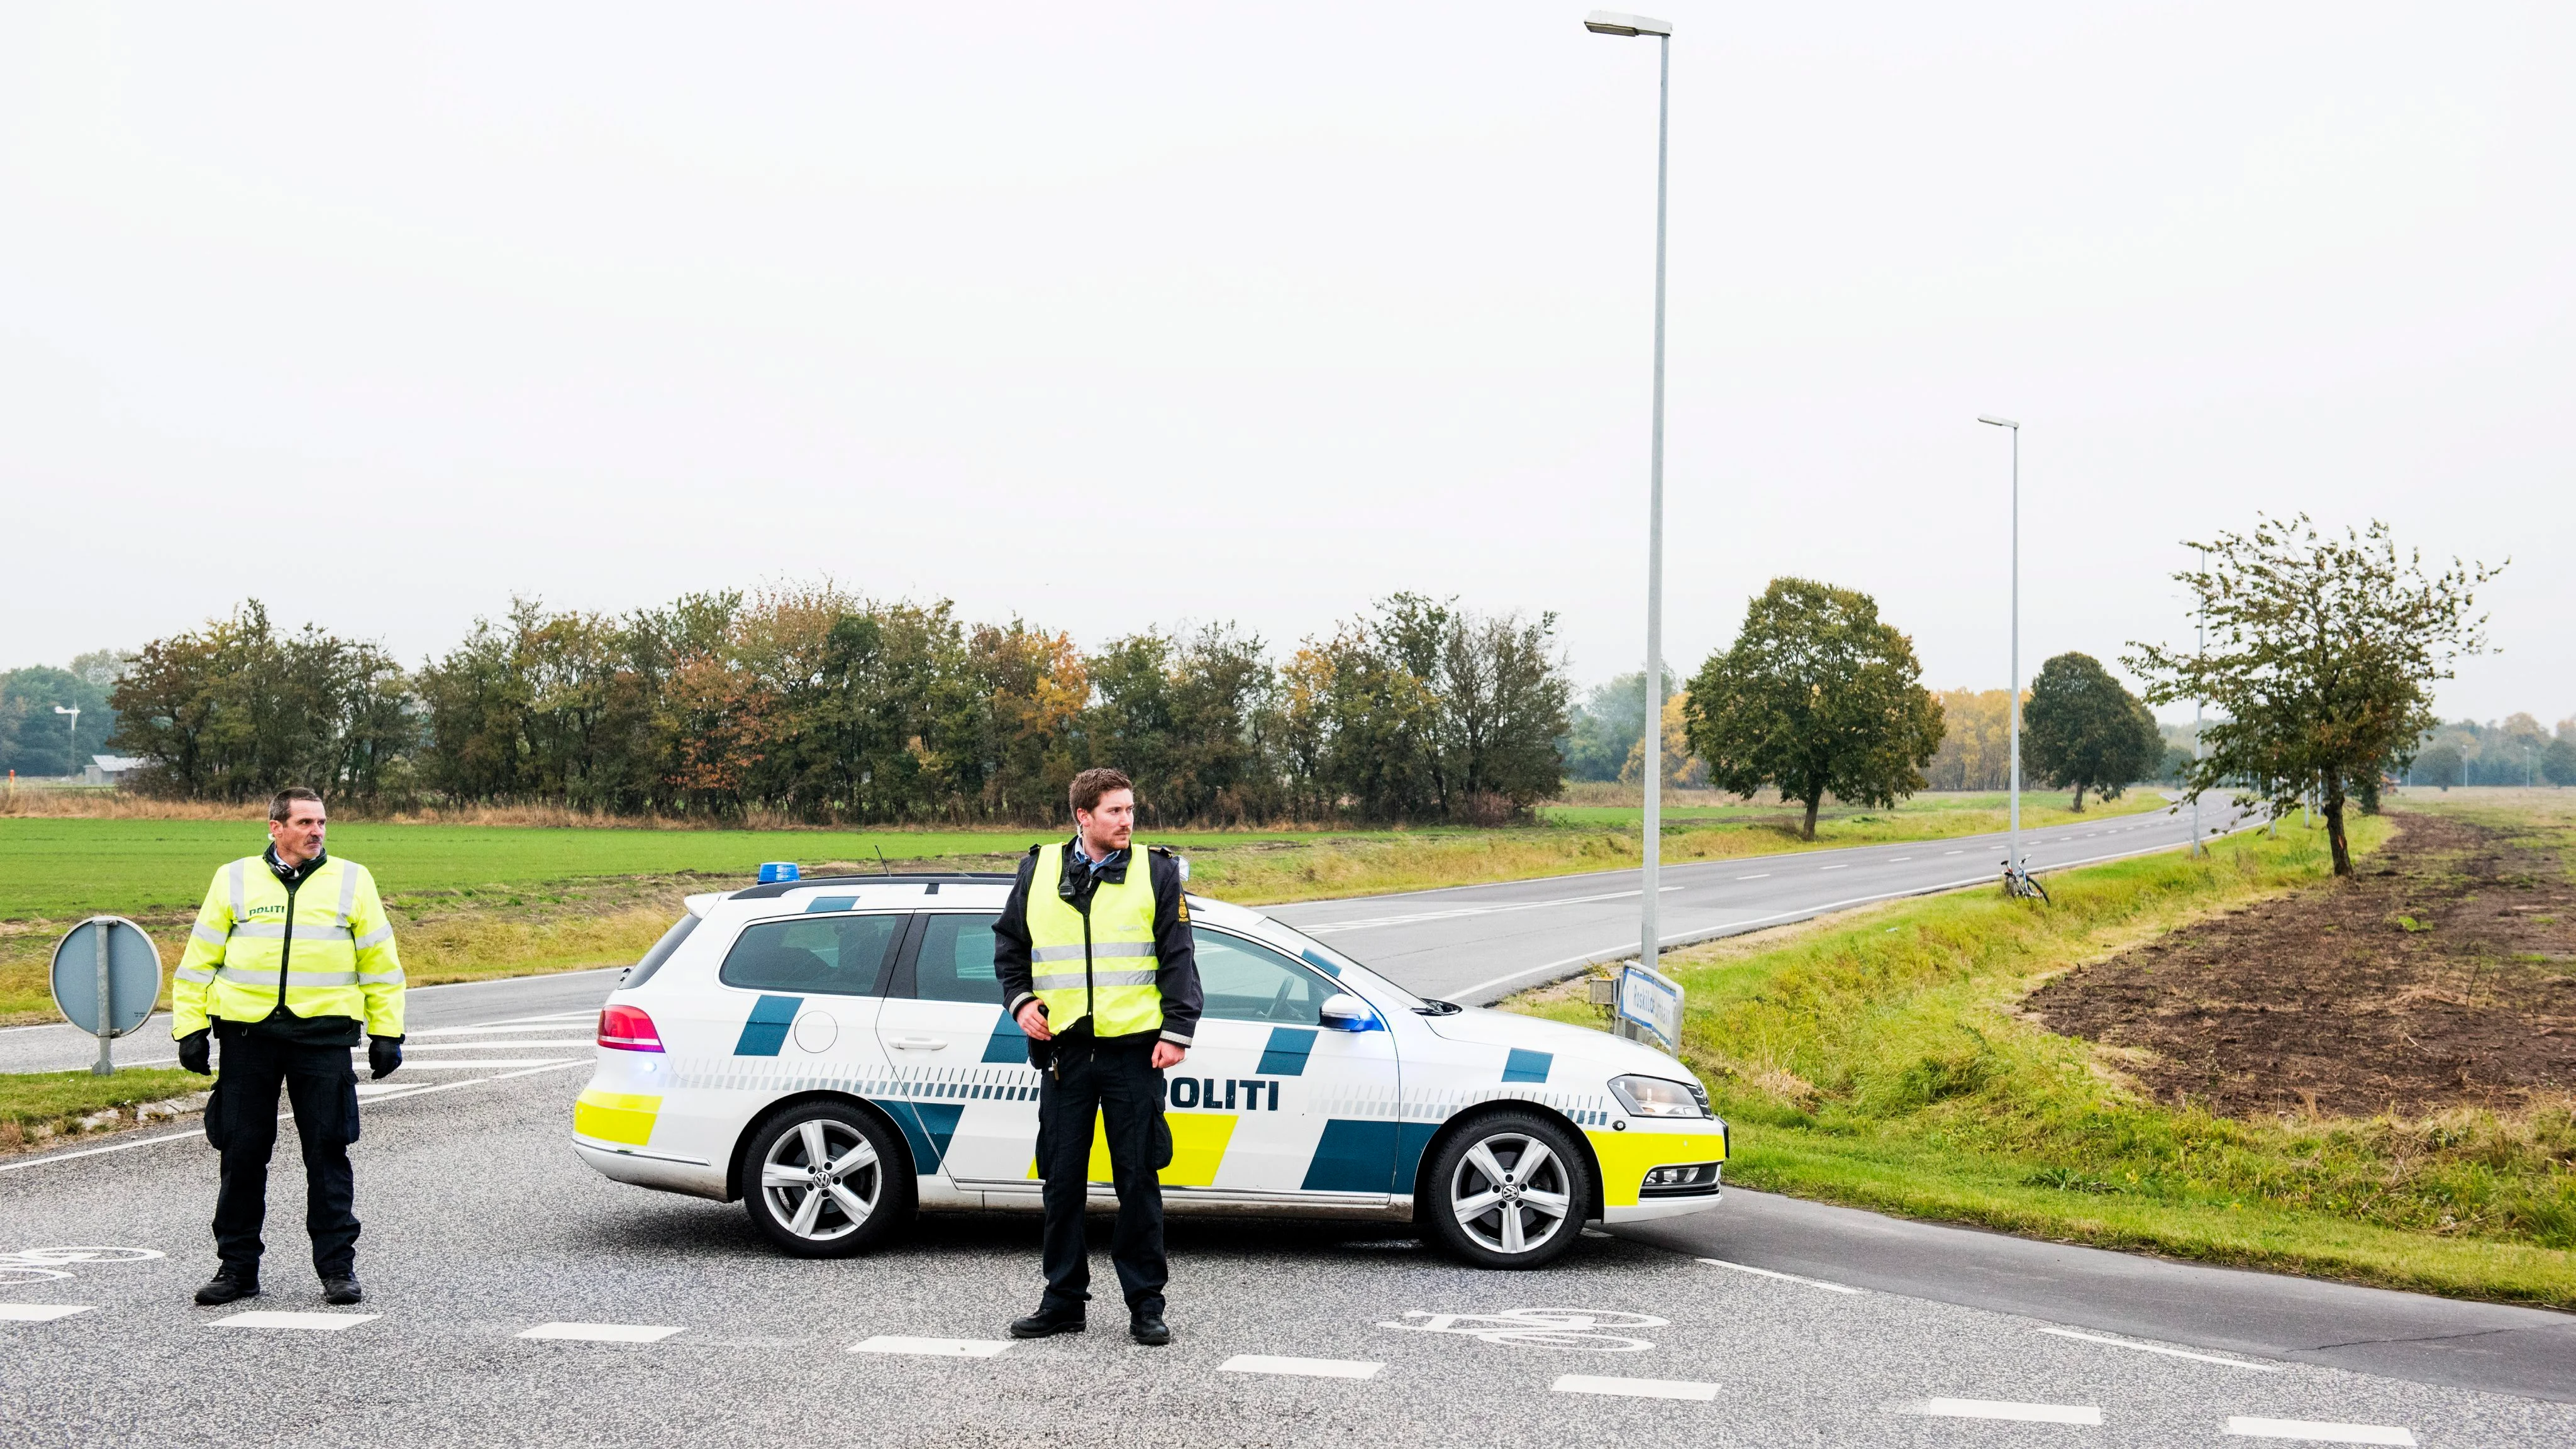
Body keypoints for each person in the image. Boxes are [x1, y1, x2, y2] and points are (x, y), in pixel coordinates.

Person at [170, 787, 406, 1307]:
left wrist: (387, 1032)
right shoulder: (233, 878)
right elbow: (198, 962)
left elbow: (380, 965)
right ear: (275, 827)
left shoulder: (352, 879)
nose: (317, 831)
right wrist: (189, 1028)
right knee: (242, 1154)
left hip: (322, 1039)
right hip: (248, 1037)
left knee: (327, 1152)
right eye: (305, 822)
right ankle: (236, 1270)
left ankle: (337, 1270)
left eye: (321, 822)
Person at [994, 767, 1202, 1346]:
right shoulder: (1037, 870)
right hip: (1064, 1054)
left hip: (1134, 1053)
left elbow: (1179, 957)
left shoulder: (1155, 872)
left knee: (1138, 1180)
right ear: (1083, 816)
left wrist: (1178, 1029)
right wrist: (1020, 1003)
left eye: (1131, 809)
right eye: (1114, 811)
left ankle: (1146, 1304)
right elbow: (1009, 948)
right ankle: (1063, 1300)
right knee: (1062, 1182)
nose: (1127, 820)